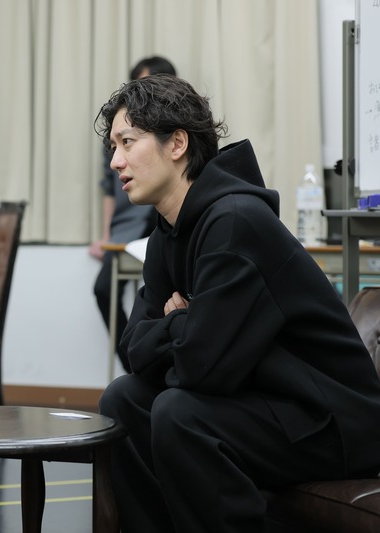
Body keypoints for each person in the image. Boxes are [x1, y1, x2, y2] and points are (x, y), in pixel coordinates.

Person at [95, 74, 380, 531]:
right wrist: (184, 326)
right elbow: (134, 349)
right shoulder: (167, 233)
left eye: (127, 142)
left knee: (180, 414)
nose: (115, 161)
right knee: (122, 398)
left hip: (331, 421)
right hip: (264, 404)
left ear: (177, 144)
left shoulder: (235, 221)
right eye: (113, 146)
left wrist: (174, 325)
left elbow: (202, 369)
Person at [90, 56, 176, 372]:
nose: (118, 159)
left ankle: (161, 372)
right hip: (127, 228)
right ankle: (136, 369)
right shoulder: (118, 132)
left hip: (161, 223)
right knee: (104, 290)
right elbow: (108, 186)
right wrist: (106, 235)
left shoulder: (173, 134)